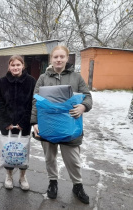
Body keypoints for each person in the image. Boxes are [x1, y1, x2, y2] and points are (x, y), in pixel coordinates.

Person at [31, 45, 93, 204]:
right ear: (51, 59)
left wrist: (83, 106)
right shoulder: (43, 78)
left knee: (73, 159)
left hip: (70, 127)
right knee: (50, 157)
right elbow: (35, 100)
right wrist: (35, 122)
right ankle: (53, 182)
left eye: (62, 57)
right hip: (48, 126)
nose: (58, 59)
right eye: (55, 57)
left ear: (67, 58)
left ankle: (77, 185)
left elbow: (87, 96)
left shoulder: (76, 77)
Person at [0, 55, 36, 190]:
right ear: (9, 66)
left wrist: (24, 122)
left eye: (18, 65)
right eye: (13, 65)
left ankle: (23, 176)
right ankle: (9, 175)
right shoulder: (2, 82)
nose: (15, 68)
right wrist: (5, 121)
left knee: (22, 150)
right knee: (8, 149)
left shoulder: (30, 81)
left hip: (23, 123)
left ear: (23, 66)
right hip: (6, 124)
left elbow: (32, 103)